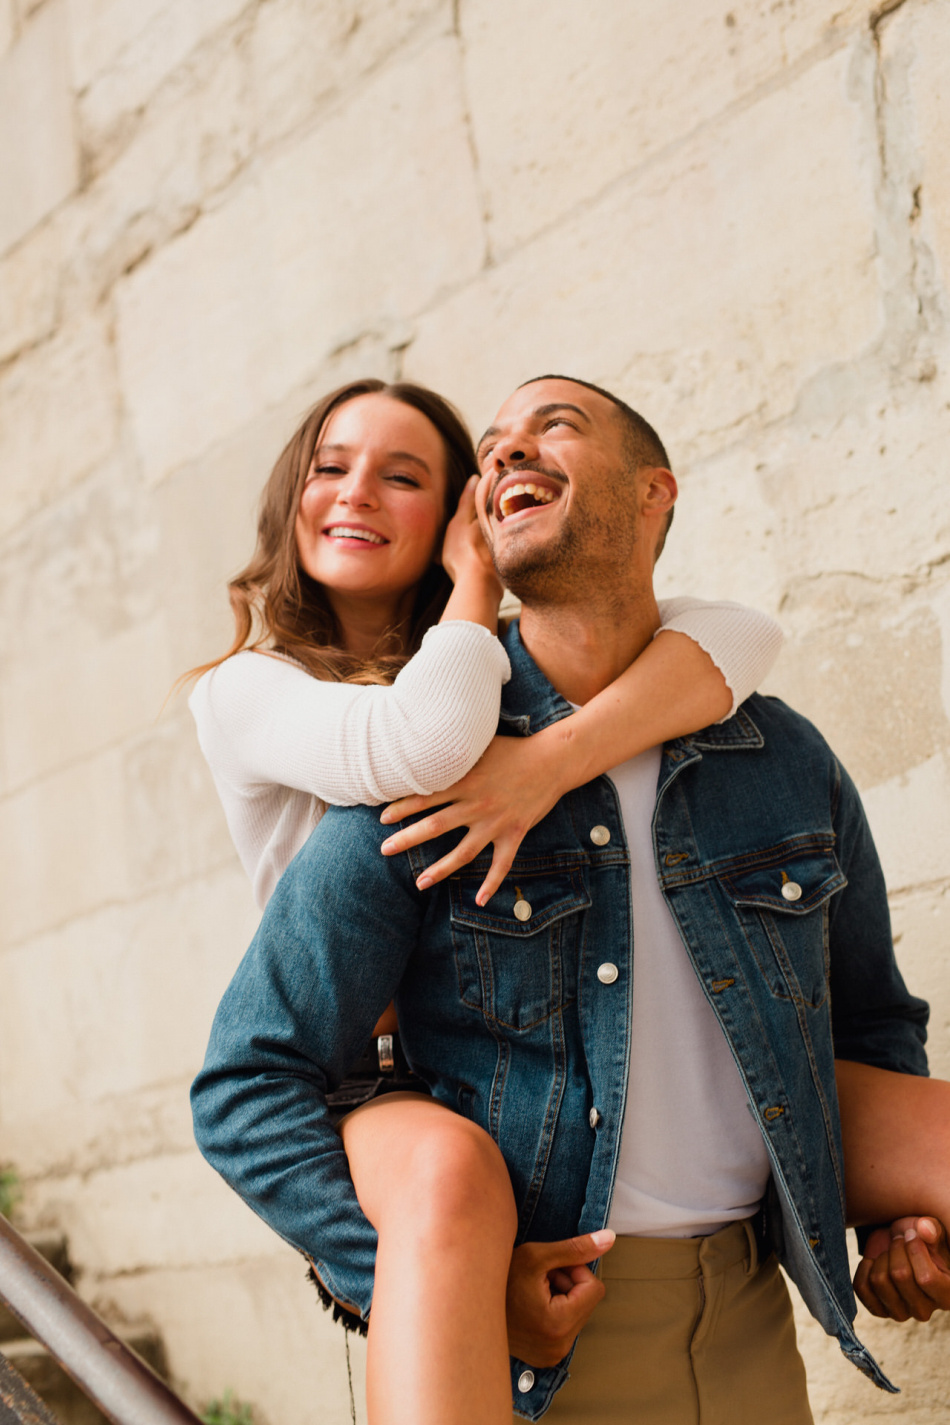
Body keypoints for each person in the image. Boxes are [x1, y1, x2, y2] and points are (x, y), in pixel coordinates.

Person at [191, 376, 950, 1424]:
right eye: (490, 444)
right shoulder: (414, 774)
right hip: (537, 1321)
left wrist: (893, 1221)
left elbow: (867, 1019)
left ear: (652, 494)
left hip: (746, 1319)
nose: (507, 451)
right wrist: (424, 1285)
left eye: (552, 425)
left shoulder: (774, 752)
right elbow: (247, 1083)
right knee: (443, 1173)